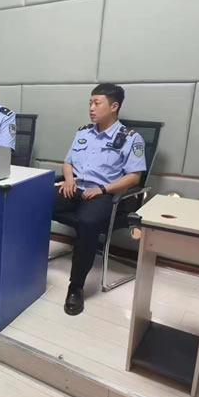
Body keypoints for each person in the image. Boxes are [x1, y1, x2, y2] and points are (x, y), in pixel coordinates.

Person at [54, 84, 146, 316]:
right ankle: (27, 265)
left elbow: (134, 177)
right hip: (75, 188)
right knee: (33, 203)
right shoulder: (83, 132)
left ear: (114, 107)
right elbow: (68, 162)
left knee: (87, 223)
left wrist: (103, 189)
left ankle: (76, 287)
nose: (91, 108)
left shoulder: (131, 138)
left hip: (103, 194)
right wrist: (68, 179)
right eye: (90, 103)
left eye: (97, 103)